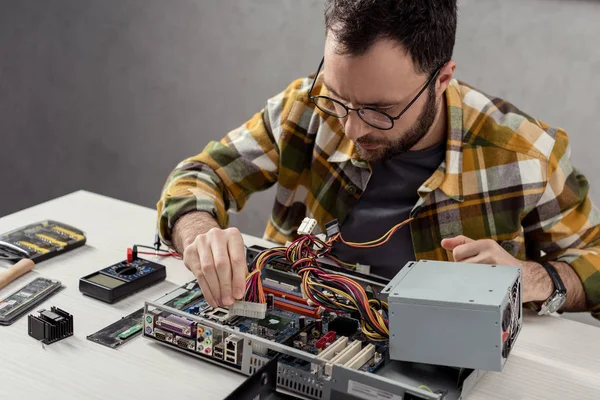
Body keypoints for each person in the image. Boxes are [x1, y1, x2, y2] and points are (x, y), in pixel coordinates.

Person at [157, 0, 600, 321]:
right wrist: (201, 235)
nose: (350, 129)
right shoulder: (305, 110)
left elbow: (595, 256)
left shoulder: (525, 153)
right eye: (337, 97)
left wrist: (533, 278)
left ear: (442, 78)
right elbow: (198, 175)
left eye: (379, 111)